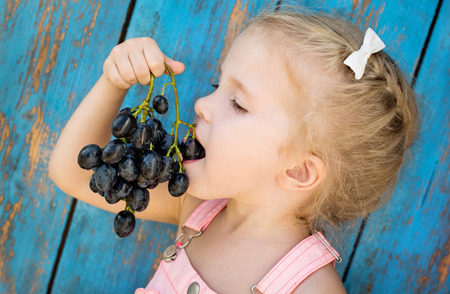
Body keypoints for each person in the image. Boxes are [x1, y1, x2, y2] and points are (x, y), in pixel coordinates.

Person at [48, 8, 419, 294]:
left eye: (238, 104)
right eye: (216, 83)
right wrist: (114, 83)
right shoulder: (196, 211)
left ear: (298, 172)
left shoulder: (308, 286)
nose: (202, 104)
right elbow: (72, 172)